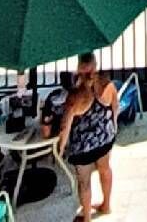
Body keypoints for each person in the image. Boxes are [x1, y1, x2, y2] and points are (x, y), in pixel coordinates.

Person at [49, 53, 119, 222]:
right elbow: (115, 106)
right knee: (105, 169)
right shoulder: (106, 83)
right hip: (104, 136)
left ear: (79, 68)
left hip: (83, 146)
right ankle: (106, 205)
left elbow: (65, 126)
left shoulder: (75, 96)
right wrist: (113, 126)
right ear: (95, 65)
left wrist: (60, 147)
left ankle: (87, 218)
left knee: (84, 182)